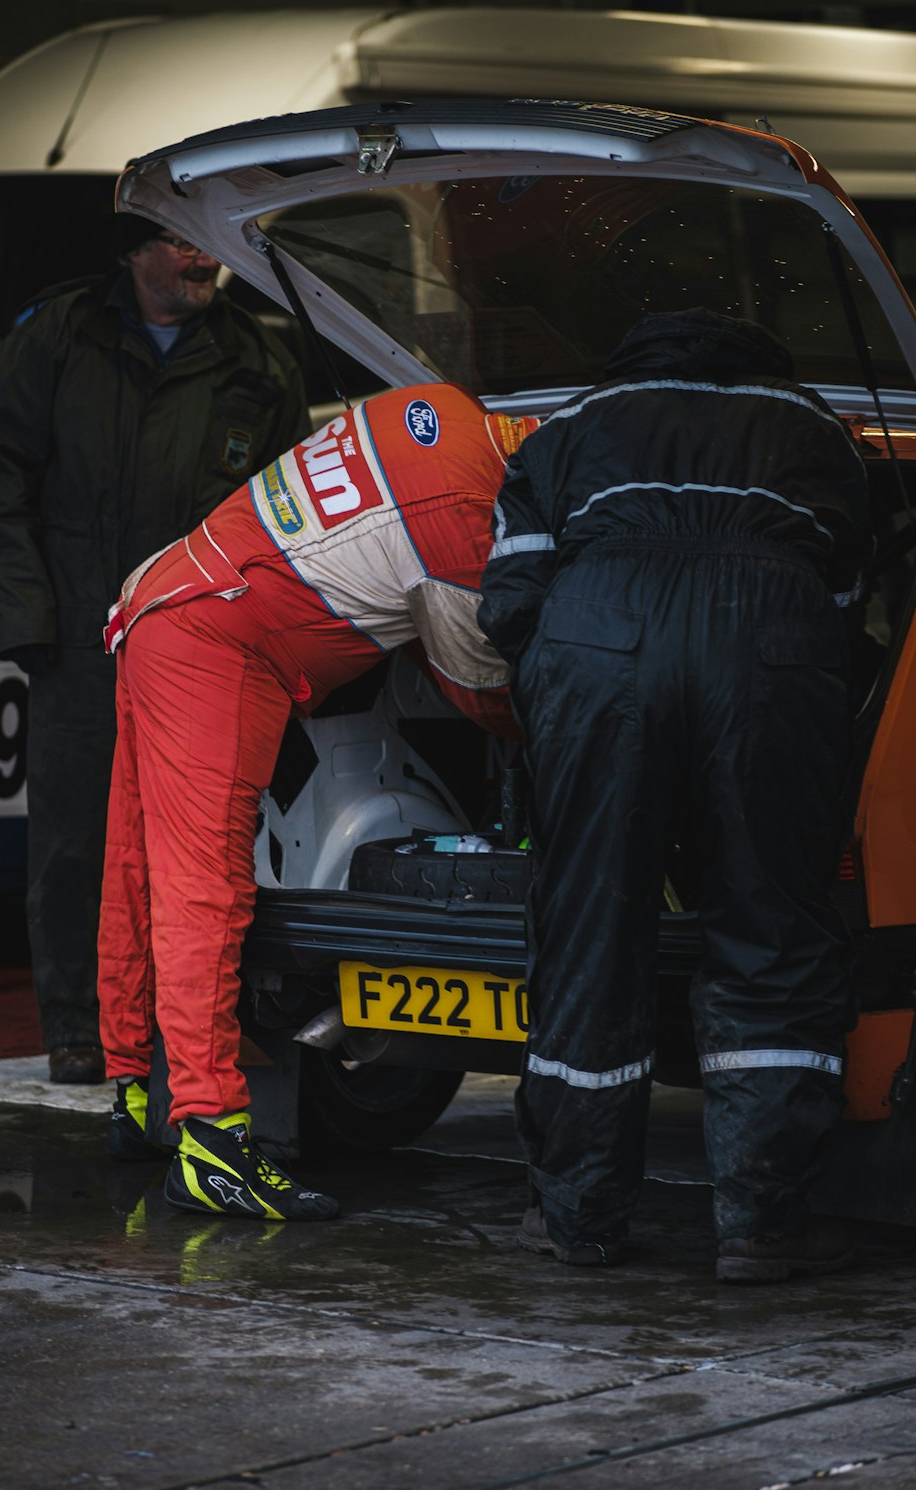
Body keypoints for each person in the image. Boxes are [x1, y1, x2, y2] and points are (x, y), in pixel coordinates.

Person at [478, 307, 871, 1283]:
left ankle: (575, 1217)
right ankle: (759, 1223)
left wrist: (572, 697)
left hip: (598, 647)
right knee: (771, 925)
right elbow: (847, 607)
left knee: (589, 930)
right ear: (761, 357)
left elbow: (508, 606)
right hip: (768, 648)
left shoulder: (567, 426)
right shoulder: (816, 430)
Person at [97, 383, 538, 1221]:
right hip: (219, 640)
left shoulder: (434, 405)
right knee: (206, 892)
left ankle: (132, 1090)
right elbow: (483, 691)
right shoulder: (462, 518)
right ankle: (211, 1139)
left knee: (136, 861)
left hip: (164, 593)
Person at [0, 214, 310, 1085]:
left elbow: (290, 515)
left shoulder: (258, 363)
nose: (202, 259)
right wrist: (28, 622)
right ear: (130, 250)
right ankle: (78, 1024)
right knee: (74, 847)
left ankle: (174, 1030)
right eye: (180, 242)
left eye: (209, 244)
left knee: (195, 852)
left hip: (198, 648)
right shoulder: (60, 335)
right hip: (80, 643)